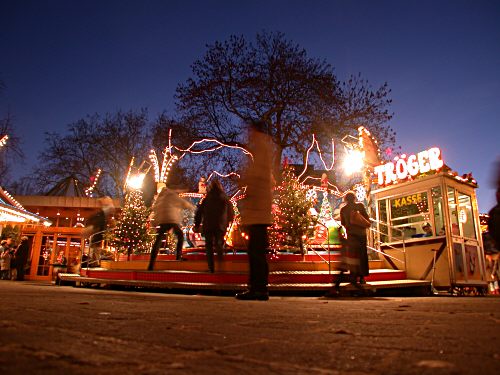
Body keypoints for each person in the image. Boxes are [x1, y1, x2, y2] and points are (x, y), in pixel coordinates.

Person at [236, 120, 275, 301]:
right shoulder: (264, 146)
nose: (248, 134)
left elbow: (256, 174)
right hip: (260, 210)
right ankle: (258, 287)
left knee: (256, 252)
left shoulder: (260, 146)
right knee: (257, 251)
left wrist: (245, 179)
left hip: (258, 210)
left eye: (249, 130)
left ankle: (258, 288)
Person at [148, 186, 195, 270]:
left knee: (158, 241)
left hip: (163, 221)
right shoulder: (172, 195)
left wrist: (154, 223)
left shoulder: (160, 199)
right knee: (180, 235)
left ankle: (151, 263)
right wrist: (192, 207)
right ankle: (178, 256)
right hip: (172, 220)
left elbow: (155, 209)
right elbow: (183, 203)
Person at [194, 179, 234, 273]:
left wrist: (197, 224)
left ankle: (211, 267)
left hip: (208, 225)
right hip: (220, 225)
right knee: (219, 244)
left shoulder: (207, 198)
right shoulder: (224, 198)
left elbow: (199, 212)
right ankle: (221, 265)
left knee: (209, 246)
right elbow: (230, 211)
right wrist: (228, 221)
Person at [338, 191, 370, 287]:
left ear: (346, 199)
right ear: (354, 198)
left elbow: (343, 223)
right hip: (361, 234)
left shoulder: (343, 209)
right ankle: (362, 277)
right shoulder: (360, 206)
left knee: (353, 256)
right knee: (362, 255)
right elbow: (366, 218)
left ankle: (353, 276)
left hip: (351, 235)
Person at [84, 196, 115, 266]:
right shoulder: (100, 216)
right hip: (96, 235)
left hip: (97, 235)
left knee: (94, 250)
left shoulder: (102, 215)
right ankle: (95, 263)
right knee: (94, 250)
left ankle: (95, 263)